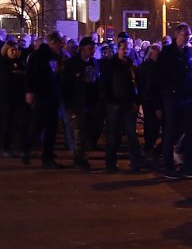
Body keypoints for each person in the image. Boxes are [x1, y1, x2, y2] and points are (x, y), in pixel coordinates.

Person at [156, 23, 192, 179]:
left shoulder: (188, 52)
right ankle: (168, 166)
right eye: (185, 35)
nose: (187, 38)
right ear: (177, 34)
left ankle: (187, 165)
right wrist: (165, 96)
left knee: (191, 131)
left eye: (189, 35)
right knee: (170, 132)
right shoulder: (167, 52)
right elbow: (160, 76)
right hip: (172, 98)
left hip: (188, 97)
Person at [23, 31, 65, 168]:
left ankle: (47, 157)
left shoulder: (57, 56)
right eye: (59, 43)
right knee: (38, 126)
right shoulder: (38, 55)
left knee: (51, 128)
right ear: (52, 42)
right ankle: (27, 148)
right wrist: (30, 91)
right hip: (41, 95)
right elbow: (30, 74)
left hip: (53, 96)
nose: (61, 45)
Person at [101, 38, 143, 172]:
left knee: (131, 134)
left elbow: (136, 85)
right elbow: (105, 86)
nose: (125, 51)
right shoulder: (111, 66)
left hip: (128, 105)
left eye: (127, 49)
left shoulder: (131, 66)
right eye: (123, 49)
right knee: (113, 134)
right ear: (118, 49)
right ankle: (111, 163)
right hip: (115, 105)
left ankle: (135, 163)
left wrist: (136, 102)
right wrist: (111, 101)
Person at [63, 37, 101, 170]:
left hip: (92, 102)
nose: (92, 51)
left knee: (90, 130)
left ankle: (83, 154)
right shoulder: (72, 64)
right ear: (82, 49)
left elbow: (97, 81)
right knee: (79, 131)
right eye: (90, 48)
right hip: (78, 103)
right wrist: (69, 105)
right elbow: (66, 85)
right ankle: (79, 158)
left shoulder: (94, 62)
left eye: (93, 48)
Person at [0, 40, 28, 158]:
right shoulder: (3, 63)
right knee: (7, 123)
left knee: (22, 122)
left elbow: (25, 76)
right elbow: (6, 79)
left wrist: (18, 74)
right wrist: (18, 75)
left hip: (19, 97)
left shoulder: (20, 62)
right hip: (7, 98)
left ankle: (23, 148)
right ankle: (6, 147)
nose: (15, 52)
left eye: (16, 49)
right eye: (12, 50)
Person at [137, 44, 162, 155]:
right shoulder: (149, 67)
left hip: (148, 98)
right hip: (149, 99)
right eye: (157, 55)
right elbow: (149, 86)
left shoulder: (151, 66)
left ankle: (149, 145)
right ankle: (149, 146)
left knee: (152, 123)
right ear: (151, 54)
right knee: (151, 123)